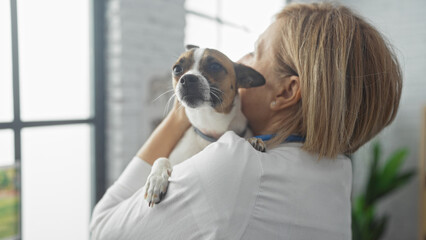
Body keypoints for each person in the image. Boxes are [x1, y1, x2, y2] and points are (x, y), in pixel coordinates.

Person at [90, 2, 402, 240]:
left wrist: (176, 119)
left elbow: (103, 229)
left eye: (254, 52)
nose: (239, 61)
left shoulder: (234, 166)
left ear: (287, 91)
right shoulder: (337, 167)